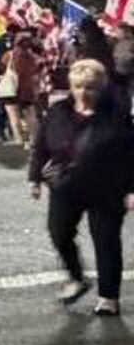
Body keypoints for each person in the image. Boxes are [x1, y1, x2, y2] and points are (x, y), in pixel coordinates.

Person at [30, 58, 134, 317]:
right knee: (59, 233)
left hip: (108, 188)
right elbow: (41, 145)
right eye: (78, 86)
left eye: (90, 88)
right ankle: (77, 277)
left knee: (106, 241)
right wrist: (34, 178)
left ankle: (108, 297)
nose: (83, 92)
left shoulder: (117, 115)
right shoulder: (58, 111)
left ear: (101, 88)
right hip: (66, 186)